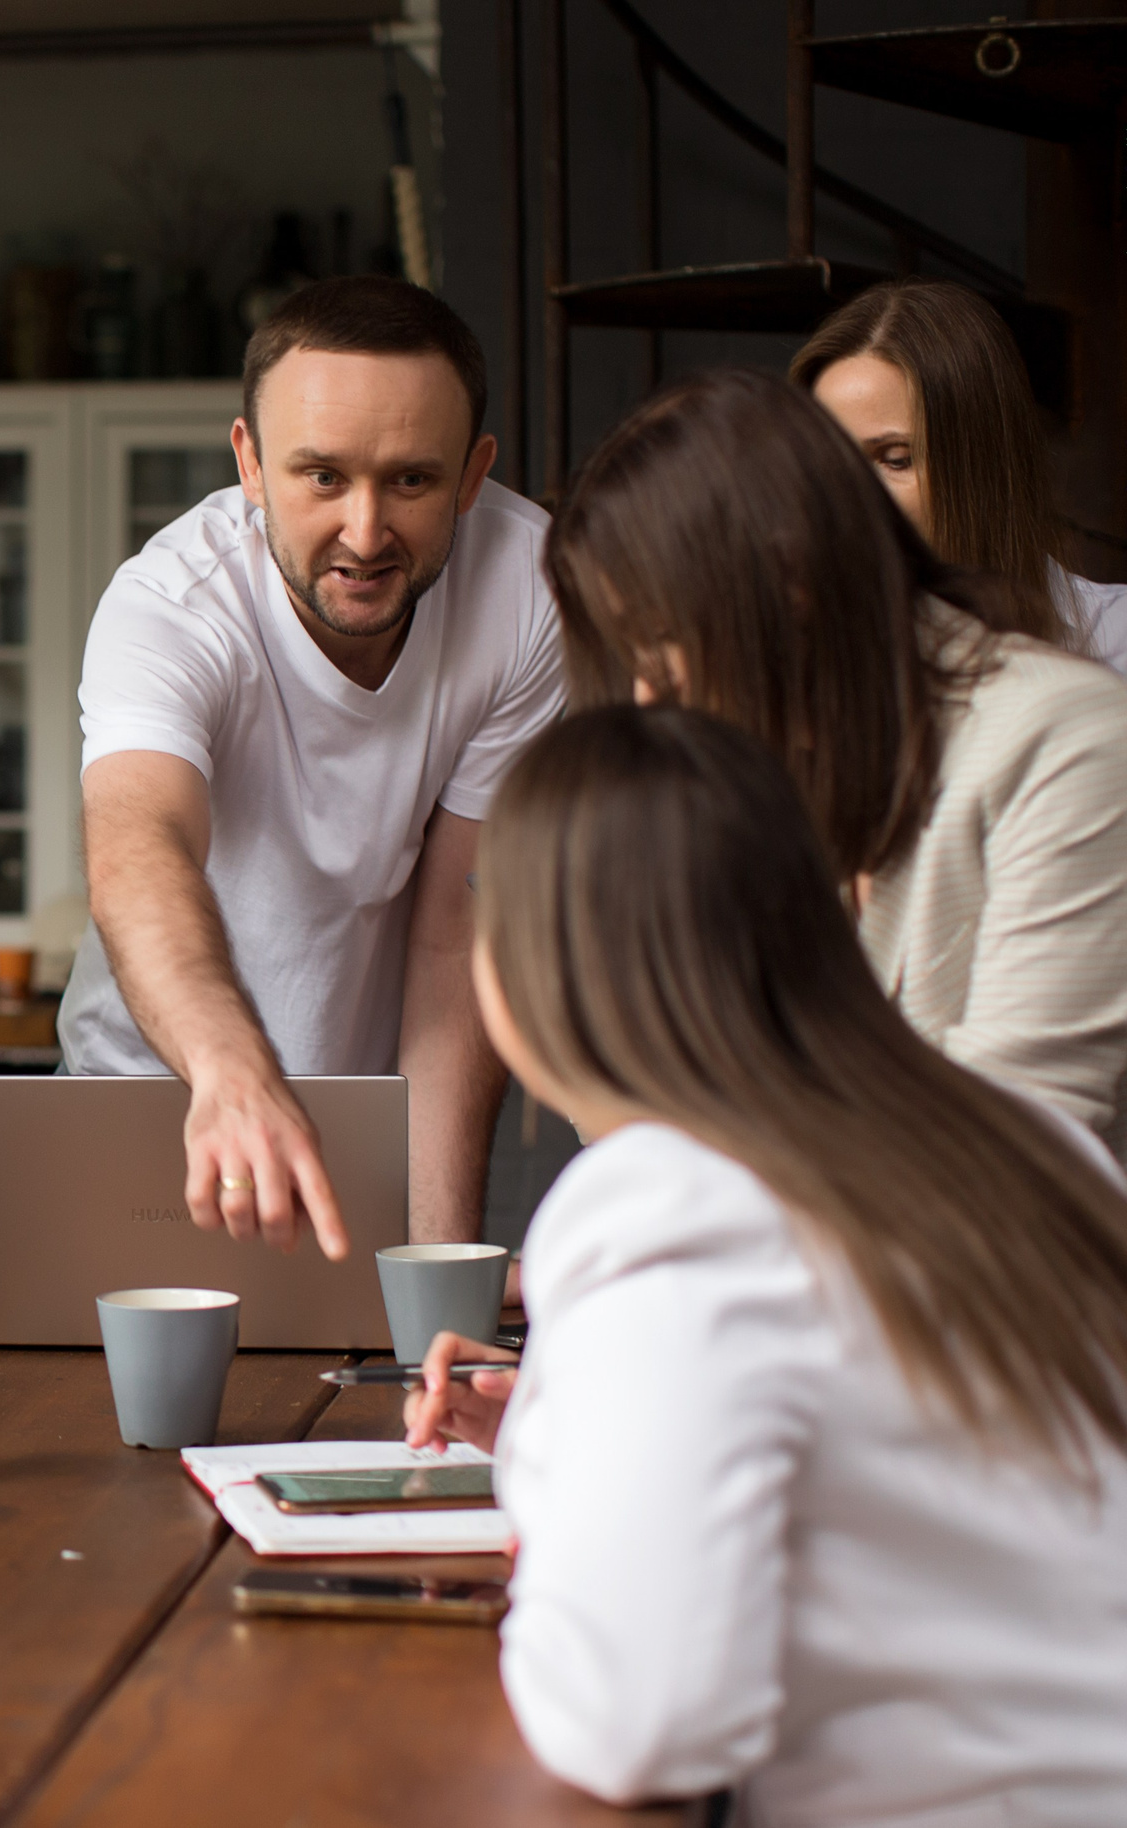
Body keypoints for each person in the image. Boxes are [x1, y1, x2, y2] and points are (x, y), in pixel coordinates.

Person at [401, 705, 1127, 1822]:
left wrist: (557, 1482)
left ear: (542, 960)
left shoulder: (661, 1200)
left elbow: (646, 1720)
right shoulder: (1037, 1144)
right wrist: (581, 1430)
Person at [60, 275, 562, 1256]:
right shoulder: (168, 602)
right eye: (321, 477)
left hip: (365, 1120)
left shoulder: (527, 590)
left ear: (471, 474)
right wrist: (229, 1069)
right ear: (248, 461)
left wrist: (439, 1267)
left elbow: (455, 937)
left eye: (411, 481)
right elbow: (137, 843)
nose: (365, 533)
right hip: (154, 1098)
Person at [550, 367, 1127, 1158]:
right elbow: (636, 1123)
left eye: (669, 661)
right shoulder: (757, 770)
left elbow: (1012, 1155)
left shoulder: (1064, 741)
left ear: (791, 593)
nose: (649, 704)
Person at [793, 278, 1127, 671]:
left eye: (896, 459)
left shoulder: (1114, 641)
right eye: (828, 457)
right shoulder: (791, 645)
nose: (847, 491)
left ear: (980, 467)